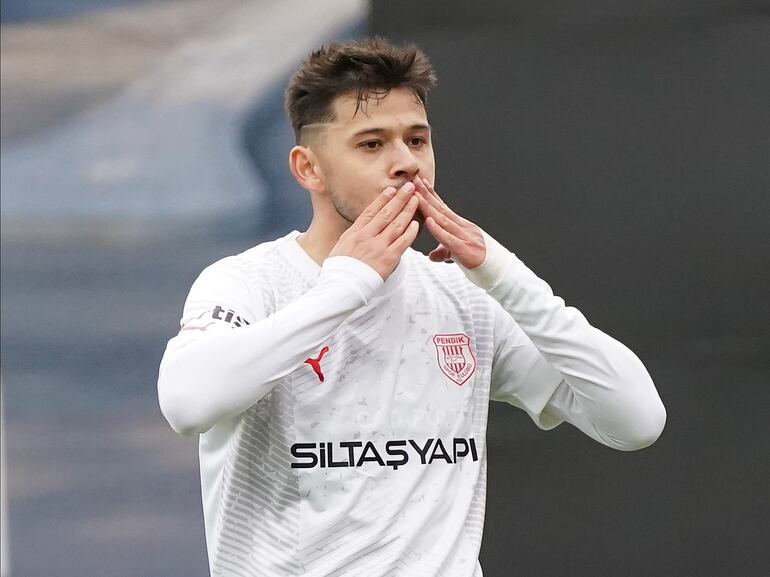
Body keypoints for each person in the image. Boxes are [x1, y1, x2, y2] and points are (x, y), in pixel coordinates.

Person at [157, 38, 666, 577]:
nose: (405, 163)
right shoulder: (248, 283)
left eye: (417, 140)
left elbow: (636, 420)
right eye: (372, 144)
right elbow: (187, 403)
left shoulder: (466, 296)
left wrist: (506, 276)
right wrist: (345, 287)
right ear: (309, 168)